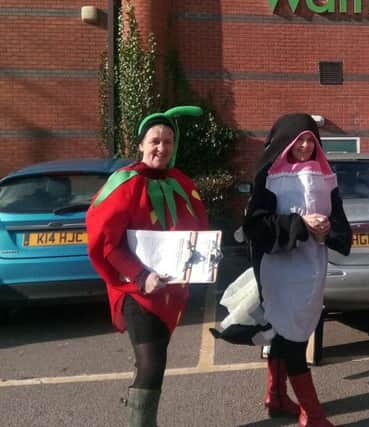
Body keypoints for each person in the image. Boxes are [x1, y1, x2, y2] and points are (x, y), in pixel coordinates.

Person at [86, 106, 208, 426]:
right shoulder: (124, 183)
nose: (161, 147)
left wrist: (205, 257)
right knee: (152, 365)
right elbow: (107, 244)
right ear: (141, 144)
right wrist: (141, 276)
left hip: (170, 291)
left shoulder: (181, 182)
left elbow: (198, 234)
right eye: (155, 140)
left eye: (168, 141)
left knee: (153, 363)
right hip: (137, 292)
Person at [243, 113, 352, 427]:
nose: (305, 146)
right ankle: (313, 415)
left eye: (311, 140)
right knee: (292, 342)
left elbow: (340, 223)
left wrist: (328, 230)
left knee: (286, 334)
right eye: (299, 140)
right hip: (278, 272)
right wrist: (300, 225)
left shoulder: (326, 176)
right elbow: (255, 226)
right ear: (285, 143)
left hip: (311, 271)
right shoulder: (268, 177)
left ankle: (276, 398)